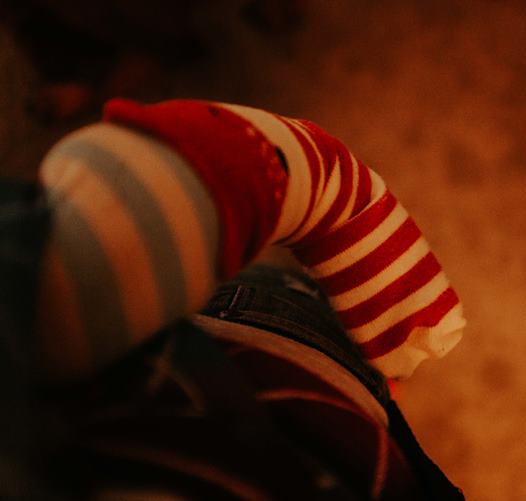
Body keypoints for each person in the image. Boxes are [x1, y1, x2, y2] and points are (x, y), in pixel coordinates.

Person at [0, 99, 466, 499]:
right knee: (373, 405)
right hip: (341, 437)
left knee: (353, 363)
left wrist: (346, 213)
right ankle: (371, 392)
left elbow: (154, 188)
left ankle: (368, 382)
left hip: (266, 340)